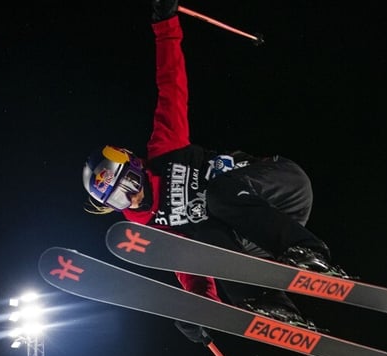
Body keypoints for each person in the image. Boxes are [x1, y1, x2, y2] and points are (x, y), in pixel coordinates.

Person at [81, 0, 348, 335]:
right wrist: (199, 310)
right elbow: (191, 268)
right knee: (205, 239)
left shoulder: (165, 151)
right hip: (253, 237)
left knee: (217, 197)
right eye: (120, 200)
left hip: (276, 185)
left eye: (130, 184)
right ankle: (269, 301)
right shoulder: (151, 230)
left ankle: (308, 250)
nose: (132, 198)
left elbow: (171, 86)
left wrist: (165, 26)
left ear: (135, 164)